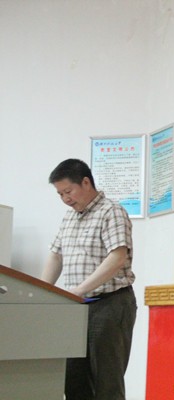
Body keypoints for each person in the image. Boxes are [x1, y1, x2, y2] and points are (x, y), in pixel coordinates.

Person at [41, 158, 136, 400]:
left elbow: (117, 257)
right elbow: (56, 255)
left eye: (68, 191)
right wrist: (41, 291)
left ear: (85, 182)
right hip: (76, 307)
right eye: (60, 194)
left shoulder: (111, 211)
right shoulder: (69, 217)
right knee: (73, 379)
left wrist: (79, 290)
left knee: (107, 381)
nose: (65, 199)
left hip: (110, 304)